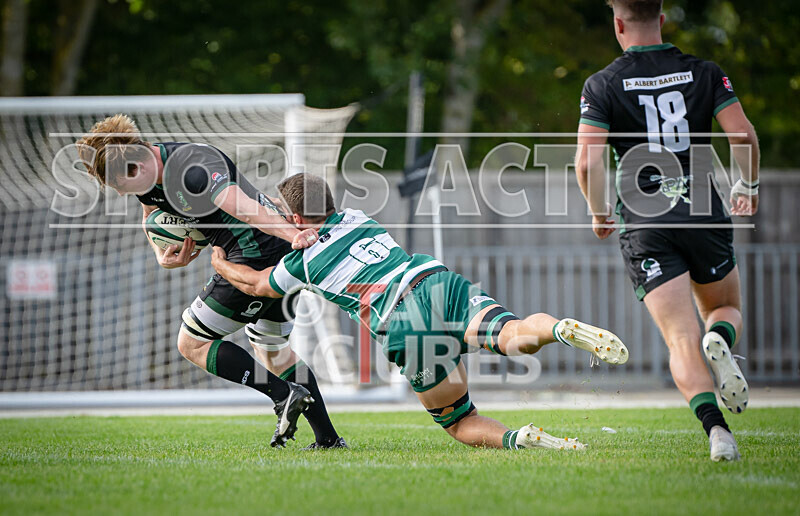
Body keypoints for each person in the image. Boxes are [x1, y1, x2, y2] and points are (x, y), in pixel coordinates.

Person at [210, 173, 630, 450]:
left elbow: (255, 284)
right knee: (514, 333)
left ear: (296, 218)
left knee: (461, 420)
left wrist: (219, 261)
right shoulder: (358, 216)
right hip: (434, 281)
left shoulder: (300, 261)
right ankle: (558, 329)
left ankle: (520, 438)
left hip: (402, 323)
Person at [77, 114, 345, 448]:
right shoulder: (145, 167)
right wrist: (160, 252)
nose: (120, 194)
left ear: (136, 168)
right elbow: (150, 216)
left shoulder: (192, 170)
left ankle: (283, 394)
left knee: (192, 342)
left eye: (120, 187)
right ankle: (328, 439)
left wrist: (295, 236)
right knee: (273, 351)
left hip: (256, 254)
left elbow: (247, 209)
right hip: (272, 254)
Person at [574, 0, 759, 461]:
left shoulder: (603, 84)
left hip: (644, 219)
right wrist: (749, 184)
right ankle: (722, 341)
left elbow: (588, 161)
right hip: (700, 206)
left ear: (617, 23)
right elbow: (741, 136)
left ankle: (718, 433)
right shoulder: (704, 71)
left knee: (680, 338)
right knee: (726, 308)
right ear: (662, 18)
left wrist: (599, 212)